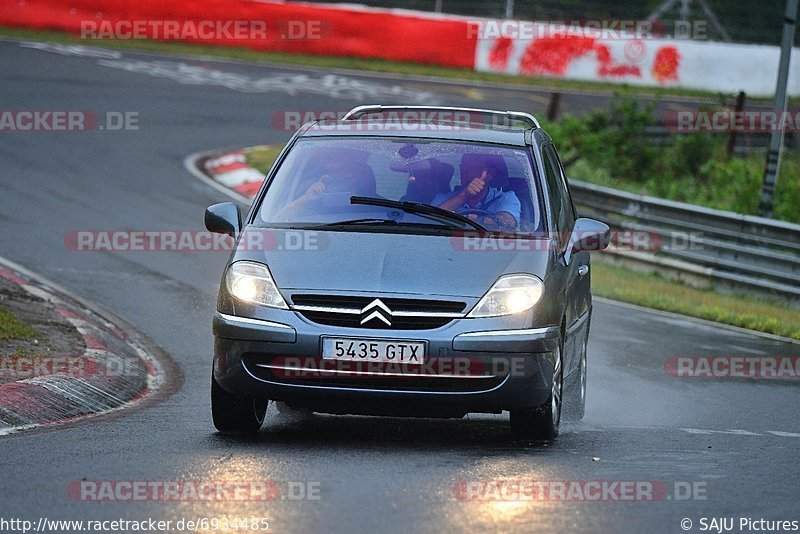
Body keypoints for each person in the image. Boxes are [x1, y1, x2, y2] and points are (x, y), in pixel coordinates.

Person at [434, 154, 520, 231]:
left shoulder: (506, 198)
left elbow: (507, 222)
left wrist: (474, 220)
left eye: (475, 168)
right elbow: (431, 218)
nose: (468, 175)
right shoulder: (444, 198)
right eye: (464, 169)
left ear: (490, 174)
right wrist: (464, 196)